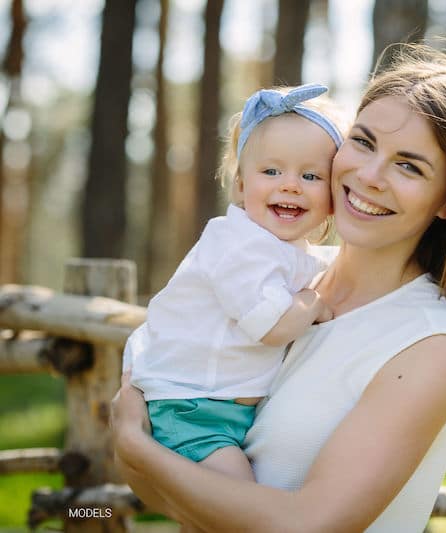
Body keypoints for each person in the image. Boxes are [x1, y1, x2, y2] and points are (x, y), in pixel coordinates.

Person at [112, 45, 446, 533]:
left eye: (409, 166)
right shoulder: (277, 279)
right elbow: (169, 489)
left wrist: (134, 447)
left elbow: (307, 526)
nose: (369, 175)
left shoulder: (433, 343)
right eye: (363, 142)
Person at [124, 84, 344, 486]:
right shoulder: (237, 244)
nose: (290, 184)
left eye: (311, 175)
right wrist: (312, 302)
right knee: (235, 503)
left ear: (333, 197)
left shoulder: (286, 248)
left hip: (225, 409)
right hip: (190, 408)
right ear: (241, 184)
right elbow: (272, 325)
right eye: (271, 171)